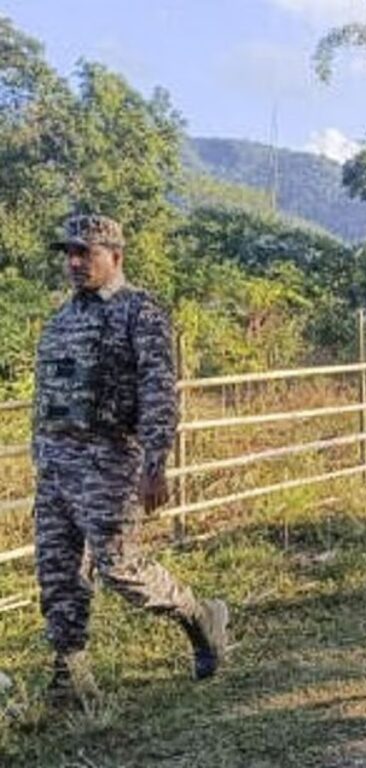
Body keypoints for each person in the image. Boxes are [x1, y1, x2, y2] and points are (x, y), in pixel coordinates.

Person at [32, 213, 229, 709]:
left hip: (109, 461)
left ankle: (199, 616)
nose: (74, 262)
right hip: (56, 466)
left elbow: (158, 390)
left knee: (119, 567)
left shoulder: (139, 312)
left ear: (115, 256)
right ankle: (70, 677)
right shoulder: (61, 320)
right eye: (69, 253)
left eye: (86, 252)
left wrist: (155, 464)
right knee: (57, 573)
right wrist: (43, 460)